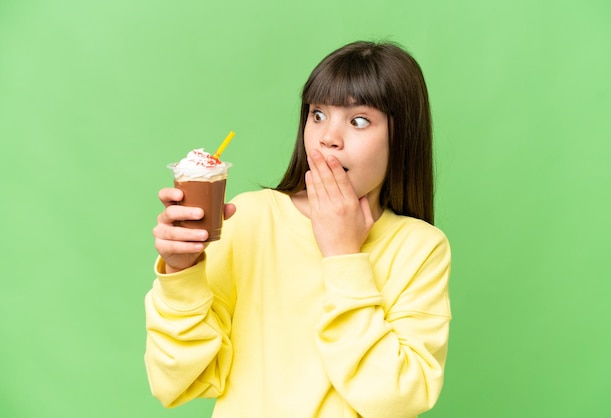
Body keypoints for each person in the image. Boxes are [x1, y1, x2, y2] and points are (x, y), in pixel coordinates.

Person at [145, 40, 452, 418]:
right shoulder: (249, 218)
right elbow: (176, 382)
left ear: (401, 136)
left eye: (358, 120)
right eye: (318, 114)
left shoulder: (421, 248)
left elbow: (397, 399)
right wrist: (181, 273)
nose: (328, 137)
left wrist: (343, 255)